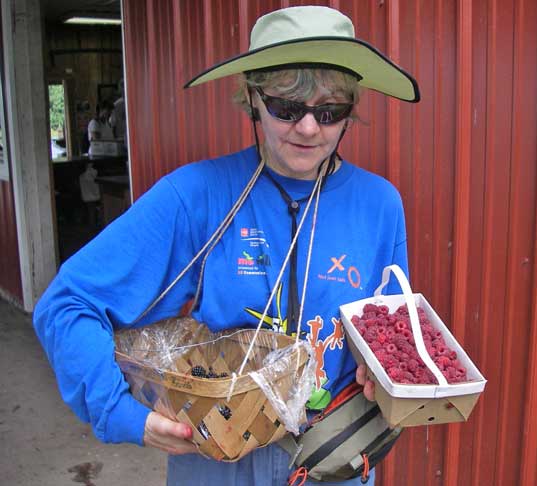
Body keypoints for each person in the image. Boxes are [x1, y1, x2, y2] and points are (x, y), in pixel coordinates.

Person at [33, 5, 419, 486]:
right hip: (221, 457)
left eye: (329, 111)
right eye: (285, 106)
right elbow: (68, 303)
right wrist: (121, 412)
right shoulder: (199, 194)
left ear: (350, 112)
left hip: (336, 456)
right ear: (252, 98)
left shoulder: (380, 205)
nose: (307, 128)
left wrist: (380, 370)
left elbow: (390, 333)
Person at [110, 78, 127, 146]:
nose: (123, 90)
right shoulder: (116, 105)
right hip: (120, 140)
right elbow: (113, 125)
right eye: (122, 88)